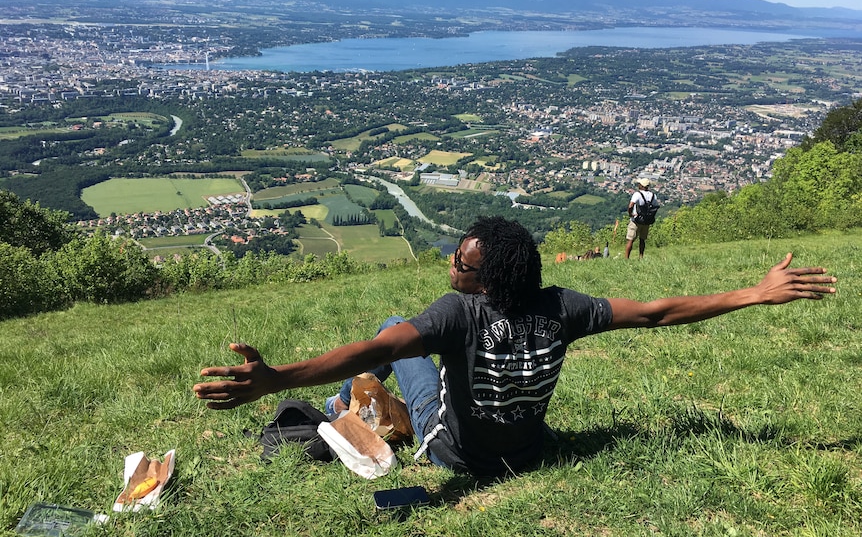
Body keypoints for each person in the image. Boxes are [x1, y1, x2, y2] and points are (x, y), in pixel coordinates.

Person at [194, 216, 837, 477]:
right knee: (396, 338)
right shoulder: (564, 307)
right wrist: (752, 293)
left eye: (462, 264)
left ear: (487, 280)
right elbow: (658, 312)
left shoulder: (457, 315)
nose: (452, 266)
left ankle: (346, 415)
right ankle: (351, 414)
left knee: (394, 326)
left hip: (452, 454)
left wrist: (279, 380)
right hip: (528, 456)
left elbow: (369, 348)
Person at [625, 177, 658, 259]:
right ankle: (641, 256)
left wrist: (630, 213)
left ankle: (626, 258)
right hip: (646, 221)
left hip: (636, 220)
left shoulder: (637, 194)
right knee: (642, 240)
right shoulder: (653, 195)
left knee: (630, 239)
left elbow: (631, 205)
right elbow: (655, 206)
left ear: (641, 186)